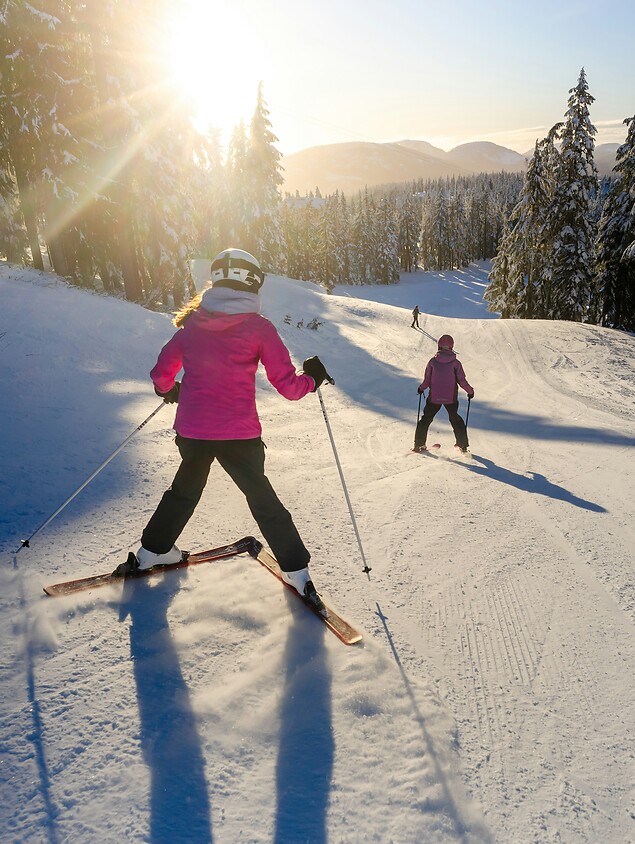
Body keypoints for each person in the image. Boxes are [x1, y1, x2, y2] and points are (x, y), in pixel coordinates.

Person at [135, 248, 330, 606]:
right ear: (253, 283)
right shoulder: (258, 327)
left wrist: (170, 390)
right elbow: (288, 387)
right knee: (261, 497)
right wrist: (313, 380)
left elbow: (162, 373)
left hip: (192, 431)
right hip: (239, 434)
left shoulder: (193, 324)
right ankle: (296, 571)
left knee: (184, 491)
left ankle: (152, 552)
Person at [413, 334, 474, 453]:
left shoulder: (432, 362)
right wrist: (470, 391)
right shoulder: (456, 363)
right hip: (450, 399)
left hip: (434, 398)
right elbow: (462, 381)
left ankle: (419, 444)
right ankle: (462, 445)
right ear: (452, 346)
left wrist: (421, 388)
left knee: (425, 419)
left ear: (439, 346)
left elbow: (427, 380)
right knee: (456, 420)